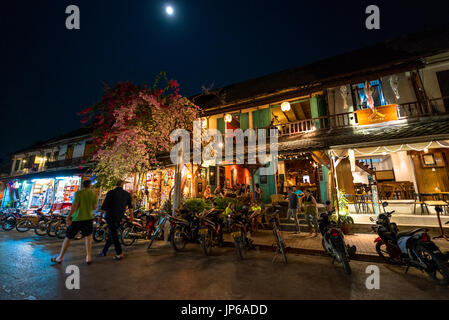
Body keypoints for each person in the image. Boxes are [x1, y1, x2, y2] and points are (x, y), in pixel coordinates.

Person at [51, 180, 97, 265]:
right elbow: (94, 207)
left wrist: (68, 217)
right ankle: (88, 257)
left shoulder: (78, 193)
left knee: (68, 238)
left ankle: (60, 257)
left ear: (82, 185)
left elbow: (74, 206)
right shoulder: (93, 195)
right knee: (88, 237)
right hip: (88, 218)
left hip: (77, 218)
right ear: (90, 186)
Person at [99, 180, 134, 260]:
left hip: (110, 216)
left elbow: (104, 206)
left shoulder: (110, 192)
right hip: (120, 217)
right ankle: (104, 251)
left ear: (116, 185)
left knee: (114, 234)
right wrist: (131, 216)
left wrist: (100, 216)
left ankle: (119, 253)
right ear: (122, 185)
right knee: (112, 233)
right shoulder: (127, 194)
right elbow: (130, 207)